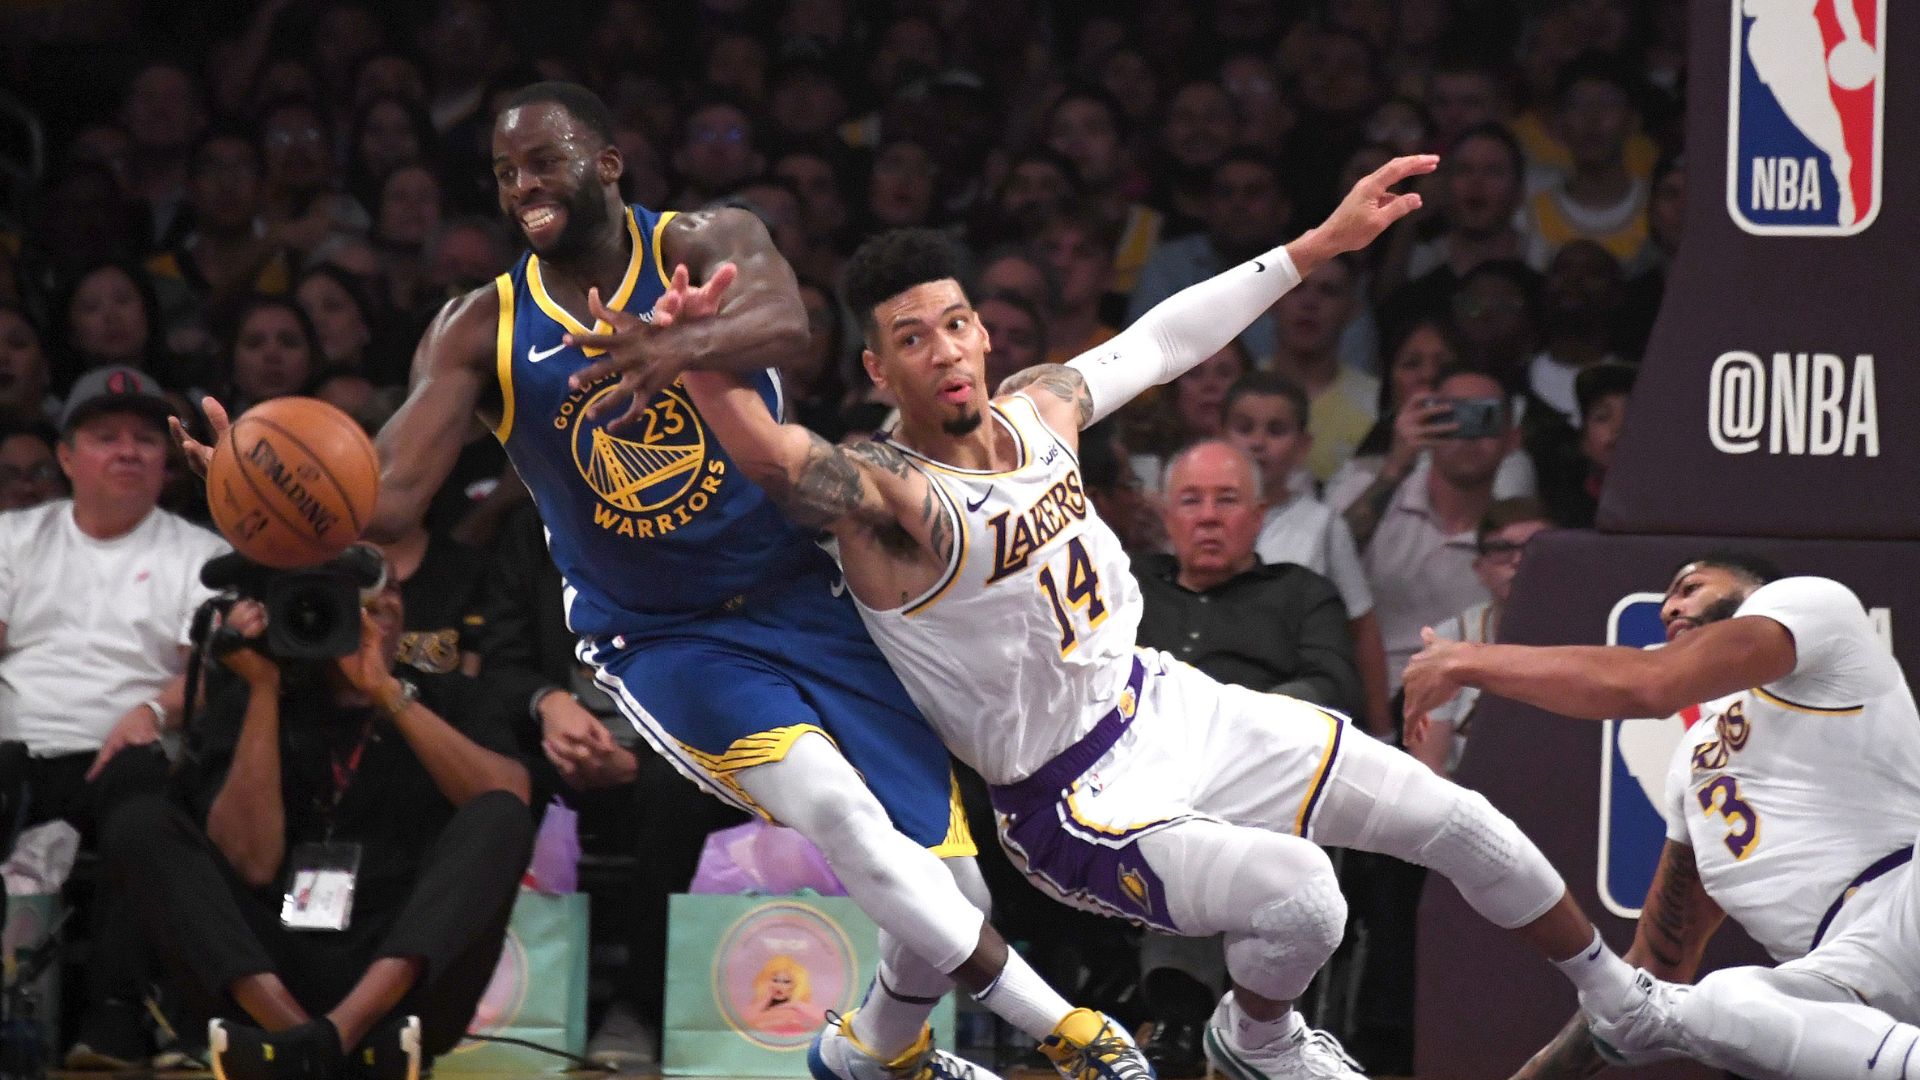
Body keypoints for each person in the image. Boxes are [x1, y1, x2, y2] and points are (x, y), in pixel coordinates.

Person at [177, 81, 1125, 1080]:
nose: (526, 185)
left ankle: (880, 1054)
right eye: (506, 172)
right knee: (840, 814)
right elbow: (393, 499)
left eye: (546, 160)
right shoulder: (480, 326)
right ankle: (1062, 1028)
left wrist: (671, 345)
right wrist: (256, 494)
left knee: (959, 895)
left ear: (609, 163)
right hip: (667, 638)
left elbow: (783, 324)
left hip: (806, 593)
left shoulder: (703, 239)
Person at [681, 154, 1662, 1080]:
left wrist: (1315, 247)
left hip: (1166, 701)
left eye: (954, 324)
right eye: (911, 339)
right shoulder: (890, 493)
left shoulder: (1039, 409)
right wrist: (695, 355)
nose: (942, 351)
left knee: (1457, 819)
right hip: (1073, 799)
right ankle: (1259, 1039)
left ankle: (1616, 997)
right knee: (1305, 897)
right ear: (879, 369)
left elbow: (1159, 342)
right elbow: (775, 455)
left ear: (983, 331)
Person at [1404, 555, 1920, 1080]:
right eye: (1667, 601)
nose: (1670, 606)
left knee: (1728, 1004)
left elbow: (1652, 684)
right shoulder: (1692, 768)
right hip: (1846, 979)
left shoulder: (1813, 608)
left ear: (1756, 590)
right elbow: (1655, 967)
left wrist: (1467, 660)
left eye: (1691, 587)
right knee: (1726, 1005)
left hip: (1904, 897)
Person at [105, 557, 534, 1080]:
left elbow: (509, 799)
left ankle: (332, 1038)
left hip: (400, 977)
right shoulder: (255, 697)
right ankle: (300, 1038)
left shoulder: (450, 699)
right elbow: (251, 863)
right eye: (355, 593)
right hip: (271, 966)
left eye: (392, 589)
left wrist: (385, 692)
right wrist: (263, 690)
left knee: (499, 815)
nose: (383, 603)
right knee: (140, 823)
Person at [0, 366, 230, 1067]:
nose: (128, 451)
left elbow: (210, 672)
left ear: (168, 462)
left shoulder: (201, 555)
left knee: (146, 806)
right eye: (106, 437)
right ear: (67, 456)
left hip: (125, 752)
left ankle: (116, 1019)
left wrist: (154, 709)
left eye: (144, 440)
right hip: (15, 749)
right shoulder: (13, 537)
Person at [1131, 438, 1360, 1077]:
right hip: (1130, 770)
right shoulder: (1129, 584)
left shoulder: (1299, 593)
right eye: (1191, 501)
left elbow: (1336, 686)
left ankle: (1179, 1014)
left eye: (1227, 501)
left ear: (1259, 516)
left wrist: (1241, 720)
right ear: (1166, 516)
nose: (1208, 517)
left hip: (1252, 773)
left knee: (1210, 805)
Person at [1403, 497, 1552, 776]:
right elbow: (1428, 769)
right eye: (1502, 550)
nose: (1519, 560)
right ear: (1479, 569)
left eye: (1536, 548)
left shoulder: (1592, 630)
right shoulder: (1448, 639)